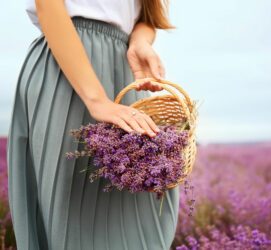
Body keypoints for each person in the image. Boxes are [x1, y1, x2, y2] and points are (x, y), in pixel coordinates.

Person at [7, 0, 179, 249]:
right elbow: (47, 5)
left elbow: (147, 19)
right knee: (70, 219)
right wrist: (96, 100)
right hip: (68, 69)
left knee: (143, 213)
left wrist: (139, 42)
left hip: (124, 72)